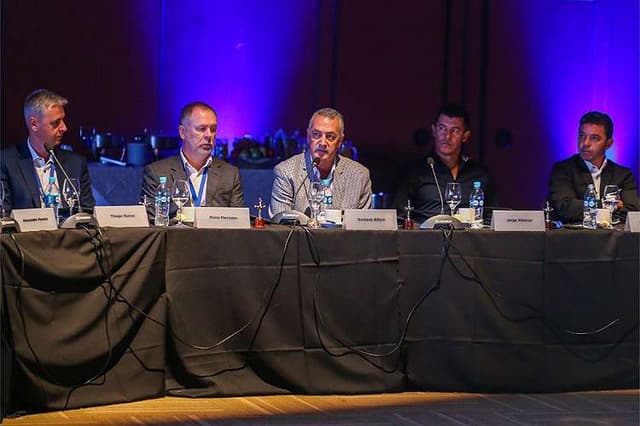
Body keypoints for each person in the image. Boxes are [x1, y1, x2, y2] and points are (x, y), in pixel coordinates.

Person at [141, 101, 244, 221]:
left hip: (216, 239)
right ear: (182, 132)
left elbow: (238, 224)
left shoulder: (230, 174)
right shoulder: (157, 173)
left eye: (213, 129)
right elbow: (151, 225)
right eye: (201, 129)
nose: (209, 135)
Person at [0, 89, 95, 215]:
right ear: (34, 124)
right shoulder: (6, 162)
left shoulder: (76, 163)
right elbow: (3, 216)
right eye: (56, 123)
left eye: (63, 120)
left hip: (70, 234)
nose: (64, 128)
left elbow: (89, 214)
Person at [393, 104, 494, 221]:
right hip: (424, 237)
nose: (447, 136)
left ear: (465, 136)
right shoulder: (414, 171)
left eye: (455, 130)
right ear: (434, 131)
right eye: (442, 128)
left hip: (469, 237)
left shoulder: (479, 174)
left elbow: (493, 219)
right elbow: (399, 216)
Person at [269, 107, 372, 216]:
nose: (323, 142)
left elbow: (363, 229)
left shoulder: (358, 175)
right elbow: (280, 226)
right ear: (308, 136)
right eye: (316, 134)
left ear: (340, 141)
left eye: (330, 136)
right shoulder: (286, 172)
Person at [548, 111, 639, 223]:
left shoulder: (623, 174)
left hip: (614, 238)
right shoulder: (563, 170)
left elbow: (632, 212)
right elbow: (565, 208)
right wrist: (609, 205)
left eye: (594, 138)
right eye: (582, 136)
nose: (585, 143)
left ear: (609, 144)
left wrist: (587, 209)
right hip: (575, 238)